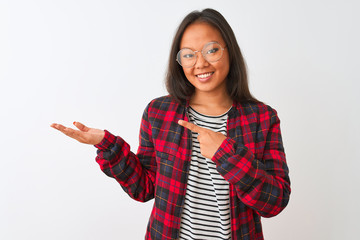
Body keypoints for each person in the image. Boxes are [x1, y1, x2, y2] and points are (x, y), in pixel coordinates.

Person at [51, 8, 290, 240]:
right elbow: (144, 187)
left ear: (229, 51)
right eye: (188, 54)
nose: (200, 63)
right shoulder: (159, 112)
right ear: (179, 61)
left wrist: (226, 154)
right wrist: (107, 145)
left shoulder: (262, 118)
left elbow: (275, 202)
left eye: (211, 50)